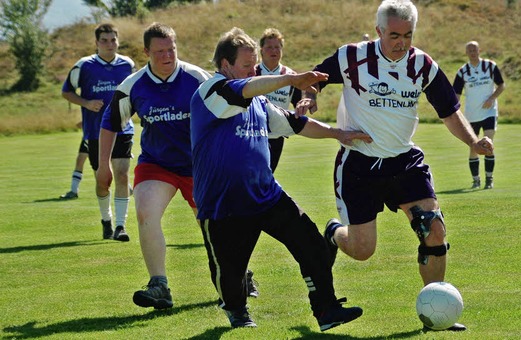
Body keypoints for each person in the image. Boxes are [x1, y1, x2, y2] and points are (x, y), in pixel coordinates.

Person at [295, 0, 494, 332]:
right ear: (378, 32)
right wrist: (310, 96)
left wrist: (473, 141)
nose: (401, 42)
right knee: (362, 251)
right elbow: (313, 80)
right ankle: (333, 233)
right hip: (359, 165)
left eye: (408, 35)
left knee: (433, 228)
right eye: (394, 35)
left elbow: (449, 110)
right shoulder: (351, 56)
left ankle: (436, 313)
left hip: (404, 163)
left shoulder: (423, 66)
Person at [190, 27, 370, 330]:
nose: (253, 71)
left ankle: (326, 311)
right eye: (247, 65)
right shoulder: (211, 91)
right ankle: (236, 310)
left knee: (311, 242)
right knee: (231, 275)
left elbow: (294, 124)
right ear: (224, 65)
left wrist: (337, 133)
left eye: (254, 65)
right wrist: (290, 79)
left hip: (266, 195)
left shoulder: (259, 103)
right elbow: (245, 89)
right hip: (224, 204)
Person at [97, 22, 258, 310]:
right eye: (159, 51)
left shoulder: (197, 77)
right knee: (145, 211)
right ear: (146, 52)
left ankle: (238, 276)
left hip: (201, 166)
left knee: (214, 227)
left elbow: (227, 111)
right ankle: (159, 285)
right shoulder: (133, 86)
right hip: (157, 164)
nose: (167, 56)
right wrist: (103, 166)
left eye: (171, 49)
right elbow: (110, 124)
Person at [61, 23, 135, 241]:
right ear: (96, 43)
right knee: (103, 180)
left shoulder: (127, 65)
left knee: (122, 174)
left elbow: (136, 92)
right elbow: (66, 92)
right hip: (95, 131)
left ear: (118, 41)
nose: (109, 44)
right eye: (104, 40)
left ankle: (120, 226)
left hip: (123, 129)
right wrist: (86, 102)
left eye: (113, 40)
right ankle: (106, 219)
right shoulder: (84, 66)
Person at [452, 40, 505, 189]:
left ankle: (489, 179)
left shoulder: (490, 66)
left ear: (479, 50)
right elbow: (456, 93)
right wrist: (454, 110)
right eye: (470, 50)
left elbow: (501, 85)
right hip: (471, 115)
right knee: (473, 147)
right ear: (466, 53)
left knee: (488, 143)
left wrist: (492, 98)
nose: (473, 53)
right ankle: (476, 180)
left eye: (475, 50)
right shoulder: (463, 71)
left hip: (489, 112)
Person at [254, 28, 301, 172]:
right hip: (252, 132)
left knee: (268, 174)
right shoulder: (252, 73)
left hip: (277, 134)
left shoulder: (291, 76)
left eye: (277, 47)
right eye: (269, 47)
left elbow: (299, 101)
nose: (273, 51)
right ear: (261, 50)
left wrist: (303, 105)